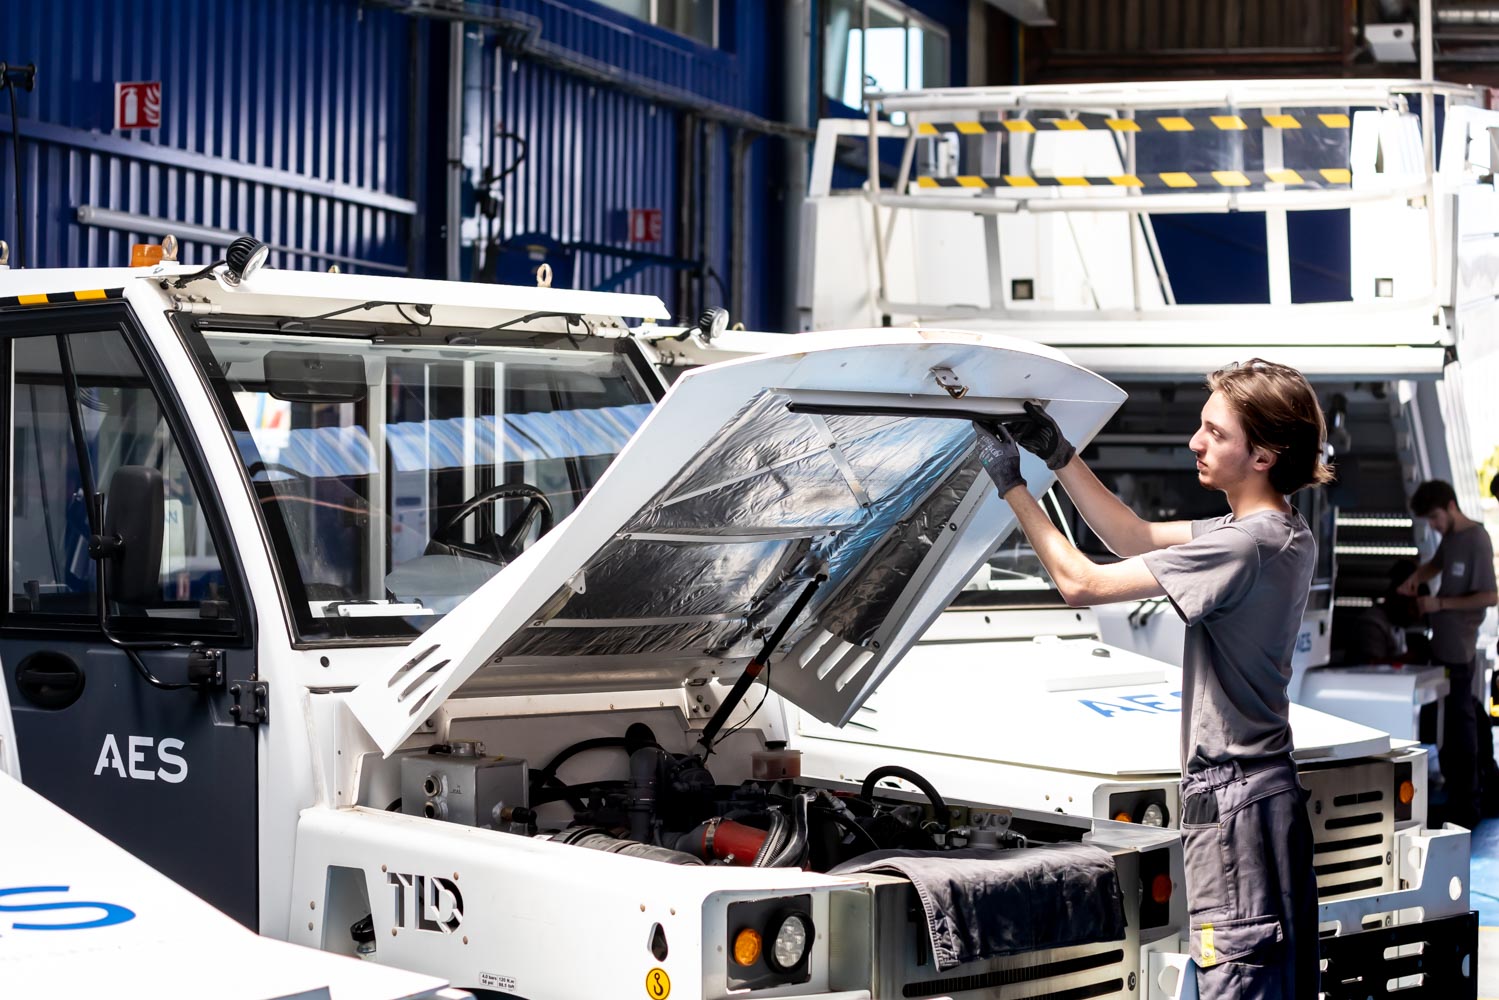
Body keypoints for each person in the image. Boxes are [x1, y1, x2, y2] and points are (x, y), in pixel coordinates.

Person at [973, 359, 1331, 999]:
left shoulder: (1241, 545)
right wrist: (1060, 455)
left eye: (1216, 434)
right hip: (1262, 797)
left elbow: (1080, 582)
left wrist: (1011, 487)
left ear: (1264, 456)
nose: (1195, 442)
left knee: (1236, 982)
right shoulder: (1275, 532)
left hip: (1234, 805)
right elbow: (1130, 536)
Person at [1397, 479, 1497, 830]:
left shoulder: (1477, 540)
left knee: (1461, 731)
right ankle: (1458, 803)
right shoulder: (1452, 539)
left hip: (1459, 650)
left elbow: (1489, 596)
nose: (1435, 527)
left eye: (1436, 519)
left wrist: (1440, 603)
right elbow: (1437, 563)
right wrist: (1415, 578)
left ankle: (1466, 809)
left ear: (1451, 506)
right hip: (1442, 647)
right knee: (1449, 731)